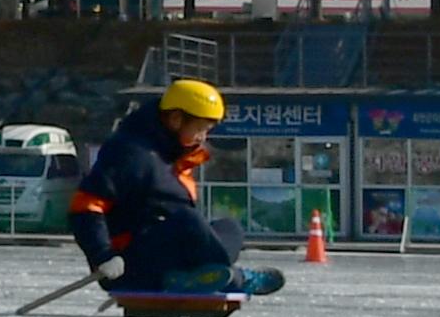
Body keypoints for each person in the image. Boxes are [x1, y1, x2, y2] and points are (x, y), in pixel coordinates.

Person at [72, 78, 283, 297]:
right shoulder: (130, 153)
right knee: (188, 221)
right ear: (175, 119)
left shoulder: (170, 157)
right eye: (200, 129)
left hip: (166, 255)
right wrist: (103, 256)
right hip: (127, 265)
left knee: (230, 228)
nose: (203, 137)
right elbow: (86, 207)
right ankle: (235, 278)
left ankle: (193, 278)